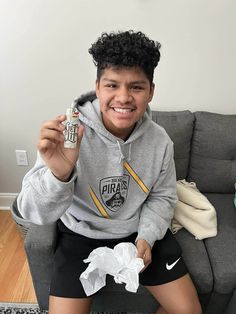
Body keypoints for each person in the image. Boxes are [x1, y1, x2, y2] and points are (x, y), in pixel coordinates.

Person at [17, 30, 202, 314]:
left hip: (137, 232)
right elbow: (33, 214)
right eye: (112, 85)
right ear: (98, 87)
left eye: (136, 87)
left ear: (151, 91)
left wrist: (146, 236)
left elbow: (163, 197)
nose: (124, 97)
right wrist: (59, 175)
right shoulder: (69, 133)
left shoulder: (160, 141)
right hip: (80, 233)